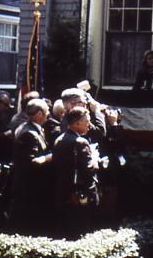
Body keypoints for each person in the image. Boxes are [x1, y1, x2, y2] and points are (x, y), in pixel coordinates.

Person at [53, 107, 100, 238]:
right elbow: (89, 169)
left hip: (63, 192)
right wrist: (95, 161)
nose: (89, 125)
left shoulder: (60, 138)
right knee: (82, 230)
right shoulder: (80, 142)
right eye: (87, 121)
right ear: (77, 123)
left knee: (66, 230)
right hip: (80, 194)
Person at [11, 99, 53, 235]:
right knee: (30, 224)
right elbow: (32, 162)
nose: (49, 115)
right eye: (47, 112)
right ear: (40, 113)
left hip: (30, 184)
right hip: (29, 186)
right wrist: (51, 156)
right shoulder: (29, 133)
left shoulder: (31, 128)